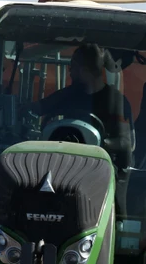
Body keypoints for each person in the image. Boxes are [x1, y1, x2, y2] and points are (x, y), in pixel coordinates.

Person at [32, 42, 134, 215]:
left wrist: (96, 142)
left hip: (101, 171)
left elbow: (126, 143)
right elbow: (35, 109)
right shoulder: (65, 96)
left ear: (85, 70)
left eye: (73, 67)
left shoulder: (116, 102)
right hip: (61, 169)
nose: (70, 71)